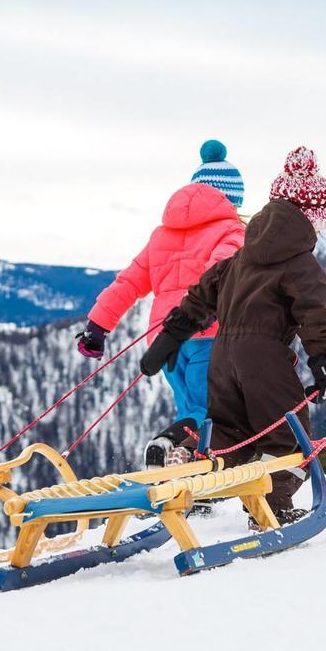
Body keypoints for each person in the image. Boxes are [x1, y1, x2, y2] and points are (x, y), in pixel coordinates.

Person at [140, 146, 326, 524]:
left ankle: (192, 468)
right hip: (264, 360)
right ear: (312, 218)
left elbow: (203, 292)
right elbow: (312, 313)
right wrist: (324, 358)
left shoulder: (244, 254)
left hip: (222, 357)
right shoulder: (301, 262)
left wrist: (173, 333)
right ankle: (272, 508)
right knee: (290, 441)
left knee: (232, 432)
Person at [77, 140, 245, 467]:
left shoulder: (161, 236)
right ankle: (169, 445)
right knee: (211, 412)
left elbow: (127, 283)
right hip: (207, 333)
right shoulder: (231, 230)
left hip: (164, 342)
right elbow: (220, 273)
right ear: (231, 199)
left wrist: (96, 329)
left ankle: (188, 481)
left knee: (190, 409)